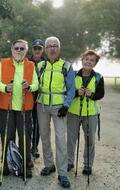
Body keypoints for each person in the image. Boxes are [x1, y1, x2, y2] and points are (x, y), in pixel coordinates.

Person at [0, 39, 39, 178]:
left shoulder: (31, 65)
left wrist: (29, 87)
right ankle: (6, 163)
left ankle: (25, 165)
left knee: (25, 137)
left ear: (26, 51)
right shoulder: (3, 63)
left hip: (24, 108)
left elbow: (37, 83)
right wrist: (5, 88)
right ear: (12, 50)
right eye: (16, 48)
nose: (19, 51)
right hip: (6, 107)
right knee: (7, 136)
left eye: (22, 48)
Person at [36, 36, 75, 188]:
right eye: (49, 46)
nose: (52, 48)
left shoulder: (67, 66)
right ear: (45, 50)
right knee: (44, 136)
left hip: (60, 108)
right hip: (42, 106)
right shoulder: (40, 66)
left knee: (60, 139)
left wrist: (66, 106)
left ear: (59, 49)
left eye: (55, 46)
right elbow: (35, 85)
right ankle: (49, 164)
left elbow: (71, 89)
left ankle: (63, 173)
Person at [67, 50, 104, 175]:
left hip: (91, 113)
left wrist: (91, 94)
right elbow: (66, 91)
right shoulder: (72, 74)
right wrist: (78, 93)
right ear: (82, 60)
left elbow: (100, 94)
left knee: (89, 140)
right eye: (86, 59)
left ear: (95, 64)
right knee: (71, 139)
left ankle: (88, 164)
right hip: (73, 111)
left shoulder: (98, 77)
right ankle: (69, 161)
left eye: (92, 60)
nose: (88, 61)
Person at [28, 39, 45, 159]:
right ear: (32, 49)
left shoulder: (46, 62)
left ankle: (34, 147)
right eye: (35, 48)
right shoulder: (27, 62)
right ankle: (26, 145)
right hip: (29, 95)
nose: (37, 50)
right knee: (28, 123)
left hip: (41, 97)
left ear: (42, 50)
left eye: (39, 48)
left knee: (38, 124)